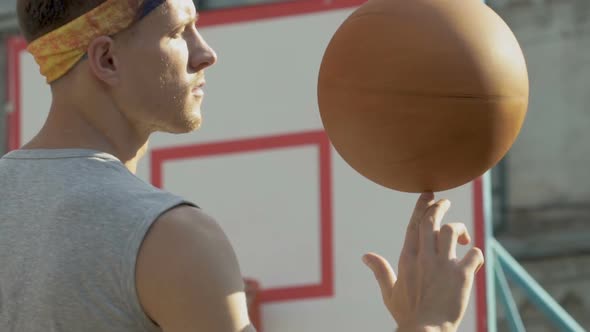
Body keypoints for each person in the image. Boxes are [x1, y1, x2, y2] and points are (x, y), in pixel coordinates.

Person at [0, 0, 484, 331]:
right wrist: (428, 323)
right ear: (105, 59)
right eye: (177, 31)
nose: (205, 53)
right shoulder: (169, 238)